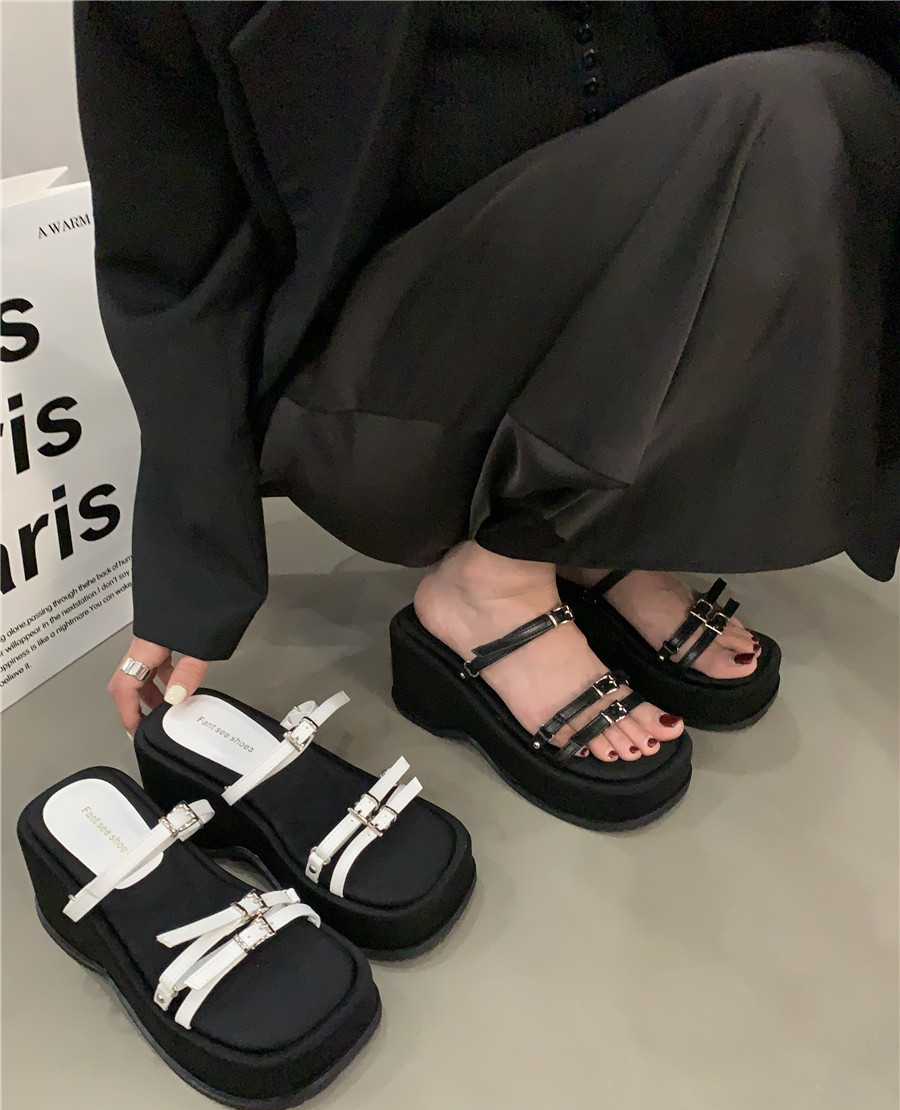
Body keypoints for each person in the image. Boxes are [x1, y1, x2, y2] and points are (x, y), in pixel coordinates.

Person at [76, 2, 898, 781]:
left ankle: (589, 521)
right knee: (791, 110)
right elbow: (169, 257)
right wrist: (194, 565)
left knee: (843, 100)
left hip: (586, 316)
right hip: (374, 401)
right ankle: (492, 582)